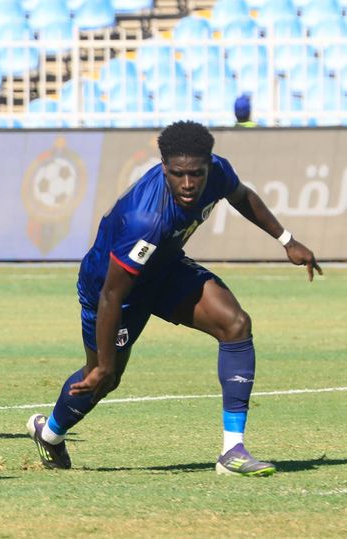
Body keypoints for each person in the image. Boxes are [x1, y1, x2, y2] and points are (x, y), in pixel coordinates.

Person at [27, 120, 321, 476]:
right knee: (103, 377)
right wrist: (103, 364)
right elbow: (111, 294)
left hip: (163, 269)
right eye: (178, 174)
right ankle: (51, 434)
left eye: (196, 174)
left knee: (235, 324)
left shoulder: (219, 172)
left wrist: (287, 239)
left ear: (208, 165)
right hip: (113, 290)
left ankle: (232, 452)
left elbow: (242, 196)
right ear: (164, 167)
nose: (187, 184)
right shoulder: (146, 220)